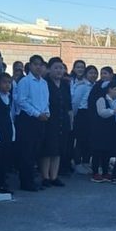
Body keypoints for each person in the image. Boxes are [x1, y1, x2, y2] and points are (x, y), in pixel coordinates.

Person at [13, 54, 50, 192]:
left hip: (41, 119)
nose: (38, 67)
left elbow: (46, 100)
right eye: (35, 64)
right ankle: (25, 182)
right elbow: (21, 101)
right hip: (28, 119)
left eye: (40, 65)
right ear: (30, 66)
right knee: (26, 152)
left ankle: (32, 180)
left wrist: (46, 113)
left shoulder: (44, 83)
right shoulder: (25, 81)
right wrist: (36, 113)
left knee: (35, 151)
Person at [39, 57, 71, 187]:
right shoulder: (45, 83)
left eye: (61, 68)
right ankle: (45, 177)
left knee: (58, 150)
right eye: (56, 68)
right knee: (48, 150)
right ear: (49, 69)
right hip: (49, 120)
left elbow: (69, 104)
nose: (59, 71)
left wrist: (71, 122)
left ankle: (54, 176)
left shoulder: (65, 84)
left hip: (63, 120)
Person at [90, 81, 116, 181]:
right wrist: (113, 111)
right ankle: (95, 172)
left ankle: (105, 172)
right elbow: (101, 112)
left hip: (110, 129)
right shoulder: (101, 99)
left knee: (107, 151)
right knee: (97, 151)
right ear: (109, 89)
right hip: (99, 129)